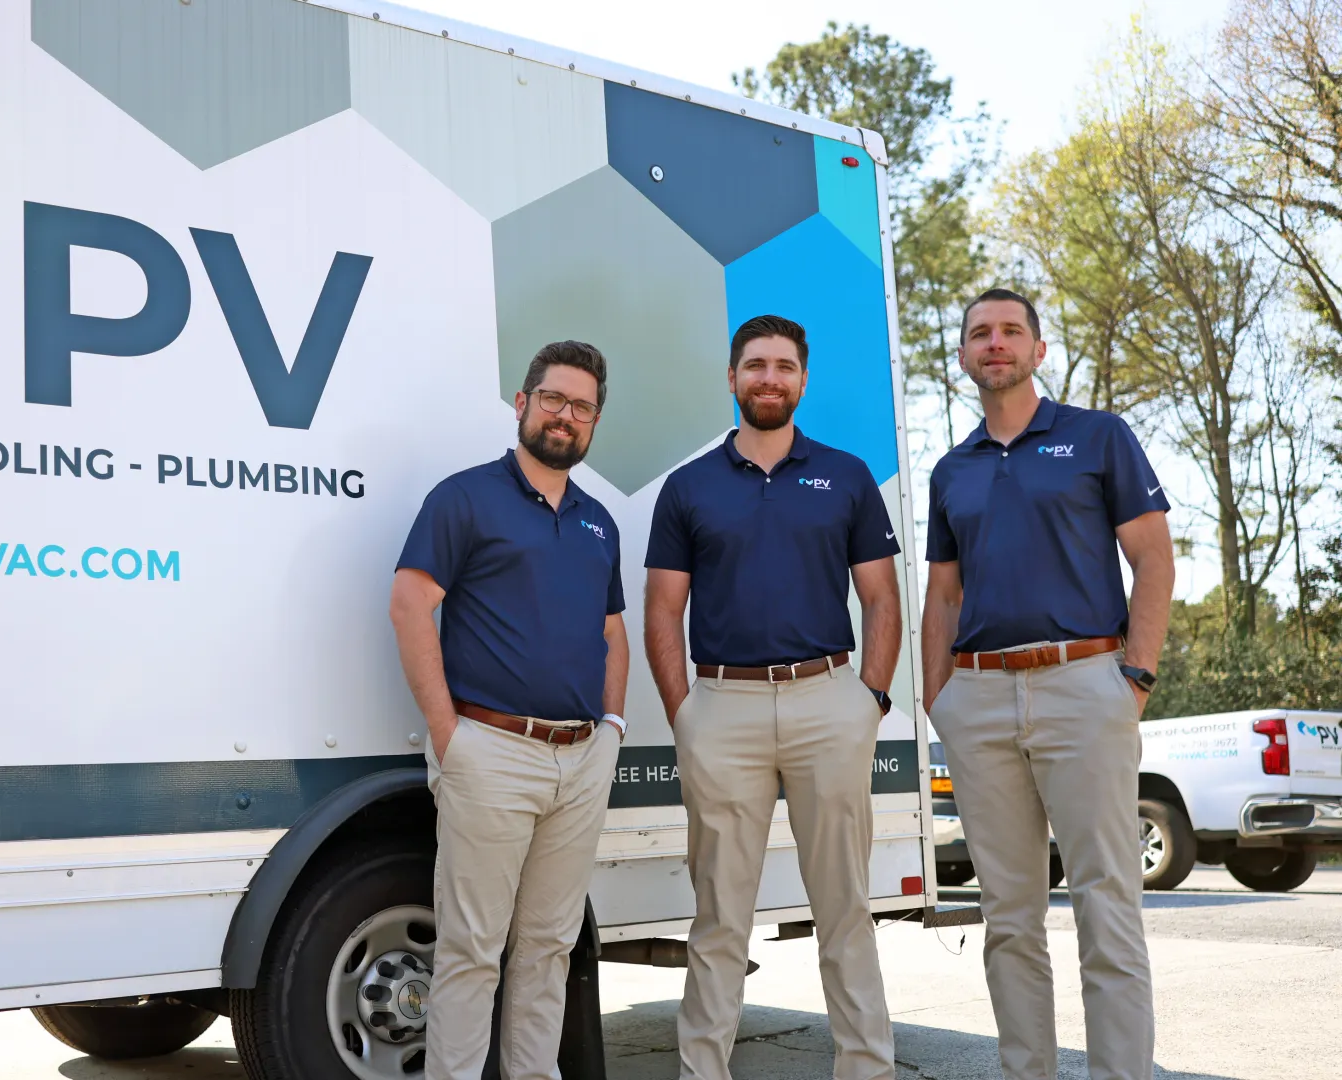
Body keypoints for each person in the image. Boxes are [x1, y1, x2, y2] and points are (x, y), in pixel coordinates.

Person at [922, 288, 1174, 1080]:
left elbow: (1154, 559)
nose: (994, 343)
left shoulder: (1098, 437)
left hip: (1085, 685)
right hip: (979, 699)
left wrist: (1134, 676)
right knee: (1008, 917)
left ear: (1038, 350)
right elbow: (942, 596)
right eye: (979, 334)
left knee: (1107, 903)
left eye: (1010, 331)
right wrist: (939, 700)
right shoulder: (950, 470)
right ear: (963, 356)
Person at [643, 314, 902, 1080]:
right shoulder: (687, 487)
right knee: (721, 916)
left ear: (803, 380)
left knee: (845, 909)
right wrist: (685, 713)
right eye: (755, 365)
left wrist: (870, 700)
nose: (769, 378)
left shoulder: (846, 476)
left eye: (784, 366)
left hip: (829, 700)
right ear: (732, 378)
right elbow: (662, 610)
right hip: (722, 707)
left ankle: (867, 1070)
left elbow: (882, 599)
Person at [389, 339, 628, 1080]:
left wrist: (613, 730)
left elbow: (612, 634)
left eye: (582, 407)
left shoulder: (598, 521)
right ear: (523, 403)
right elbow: (410, 605)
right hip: (488, 752)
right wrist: (448, 734)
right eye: (553, 399)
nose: (566, 416)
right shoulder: (464, 498)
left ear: (594, 422)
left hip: (581, 758)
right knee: (472, 948)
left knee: (550, 945)